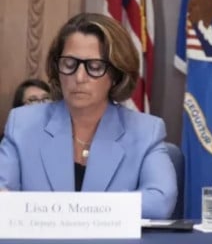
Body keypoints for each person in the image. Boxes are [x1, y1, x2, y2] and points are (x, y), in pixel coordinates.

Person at [0, 12, 177, 219]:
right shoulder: (22, 124)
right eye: (69, 64)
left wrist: (75, 210)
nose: (79, 77)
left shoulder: (146, 131)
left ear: (116, 75)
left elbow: (160, 202)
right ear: (57, 68)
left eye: (94, 67)